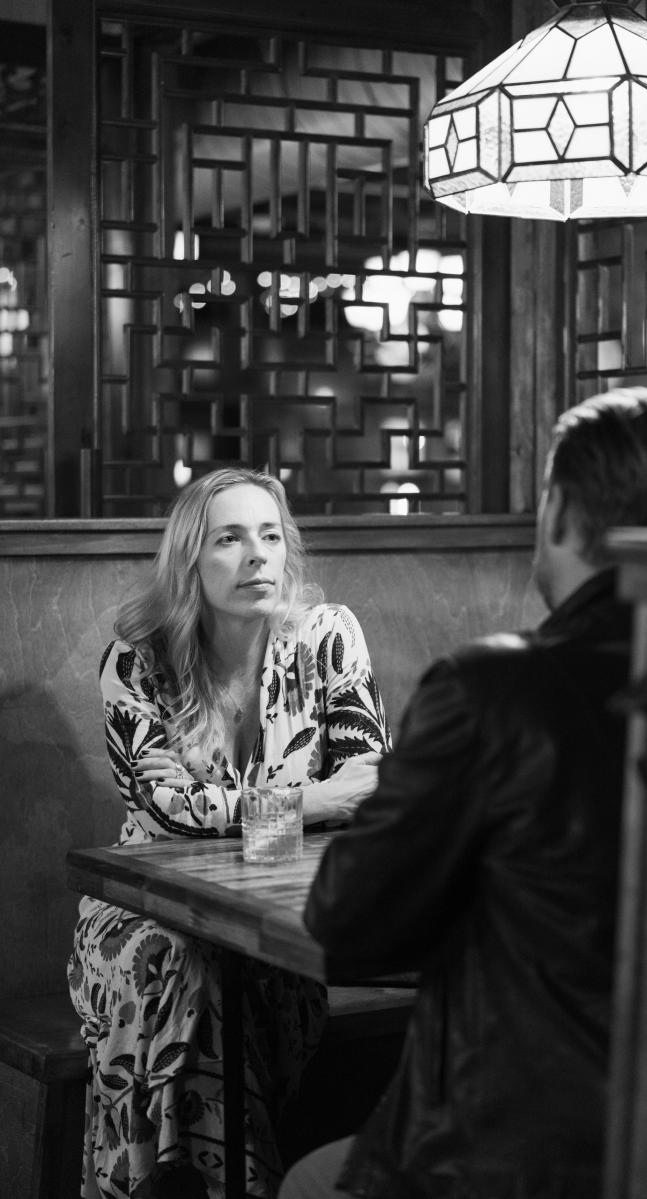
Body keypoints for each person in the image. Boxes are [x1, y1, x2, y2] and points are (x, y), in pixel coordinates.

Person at [278, 389, 647, 1199]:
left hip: (520, 1143)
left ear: (558, 511)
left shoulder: (492, 688)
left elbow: (346, 920)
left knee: (308, 1182)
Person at [67, 467, 391, 1199]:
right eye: (230, 539)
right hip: (141, 908)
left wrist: (226, 811)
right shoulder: (137, 661)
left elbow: (372, 791)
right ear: (190, 560)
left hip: (271, 924)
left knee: (212, 977)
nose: (257, 556)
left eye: (270, 536)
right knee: (184, 966)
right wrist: (314, 800)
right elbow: (163, 811)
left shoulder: (327, 638)